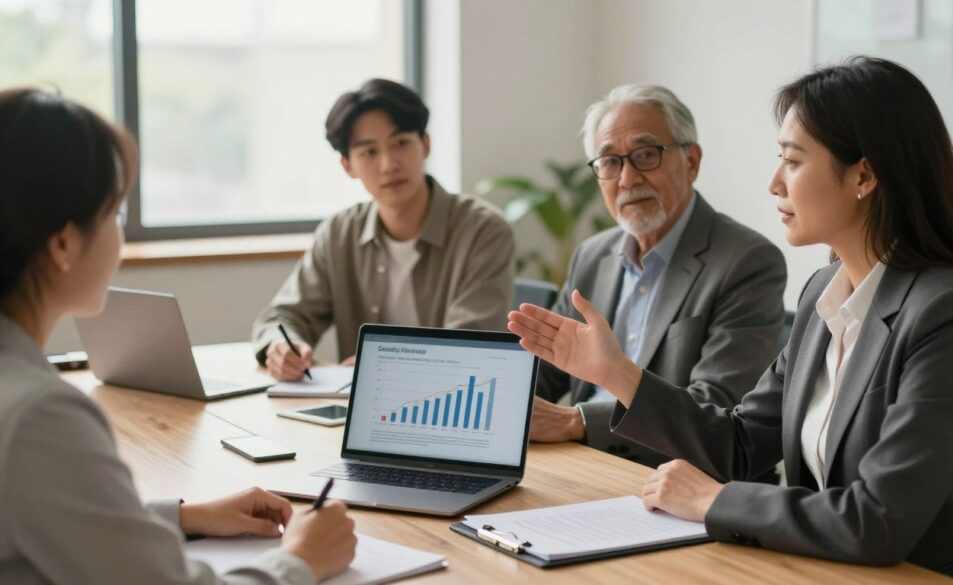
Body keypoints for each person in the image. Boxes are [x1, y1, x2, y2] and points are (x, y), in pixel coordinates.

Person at [509, 57, 953, 583]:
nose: (775, 183)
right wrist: (615, 373)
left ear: (864, 175)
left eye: (793, 161)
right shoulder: (826, 293)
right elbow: (737, 444)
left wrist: (715, 500)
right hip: (824, 568)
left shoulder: (950, 313)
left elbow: (878, 519)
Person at [0, 88, 356, 584]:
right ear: (63, 243)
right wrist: (299, 560)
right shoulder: (41, 416)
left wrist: (183, 516)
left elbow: (36, 511)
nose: (120, 236)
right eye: (115, 214)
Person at [529, 84, 786, 468]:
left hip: (680, 478)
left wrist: (577, 421)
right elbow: (548, 366)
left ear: (692, 161)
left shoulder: (747, 261)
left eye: (646, 155)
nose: (628, 179)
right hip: (585, 464)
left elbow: (717, 409)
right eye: (610, 162)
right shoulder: (593, 255)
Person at [252, 79, 514, 380]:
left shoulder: (484, 231)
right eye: (369, 152)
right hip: (360, 412)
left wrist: (386, 364)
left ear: (425, 144)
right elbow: (281, 317)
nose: (388, 164)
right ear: (348, 166)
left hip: (449, 405)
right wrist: (282, 346)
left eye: (401, 143)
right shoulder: (339, 233)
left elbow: (469, 345)